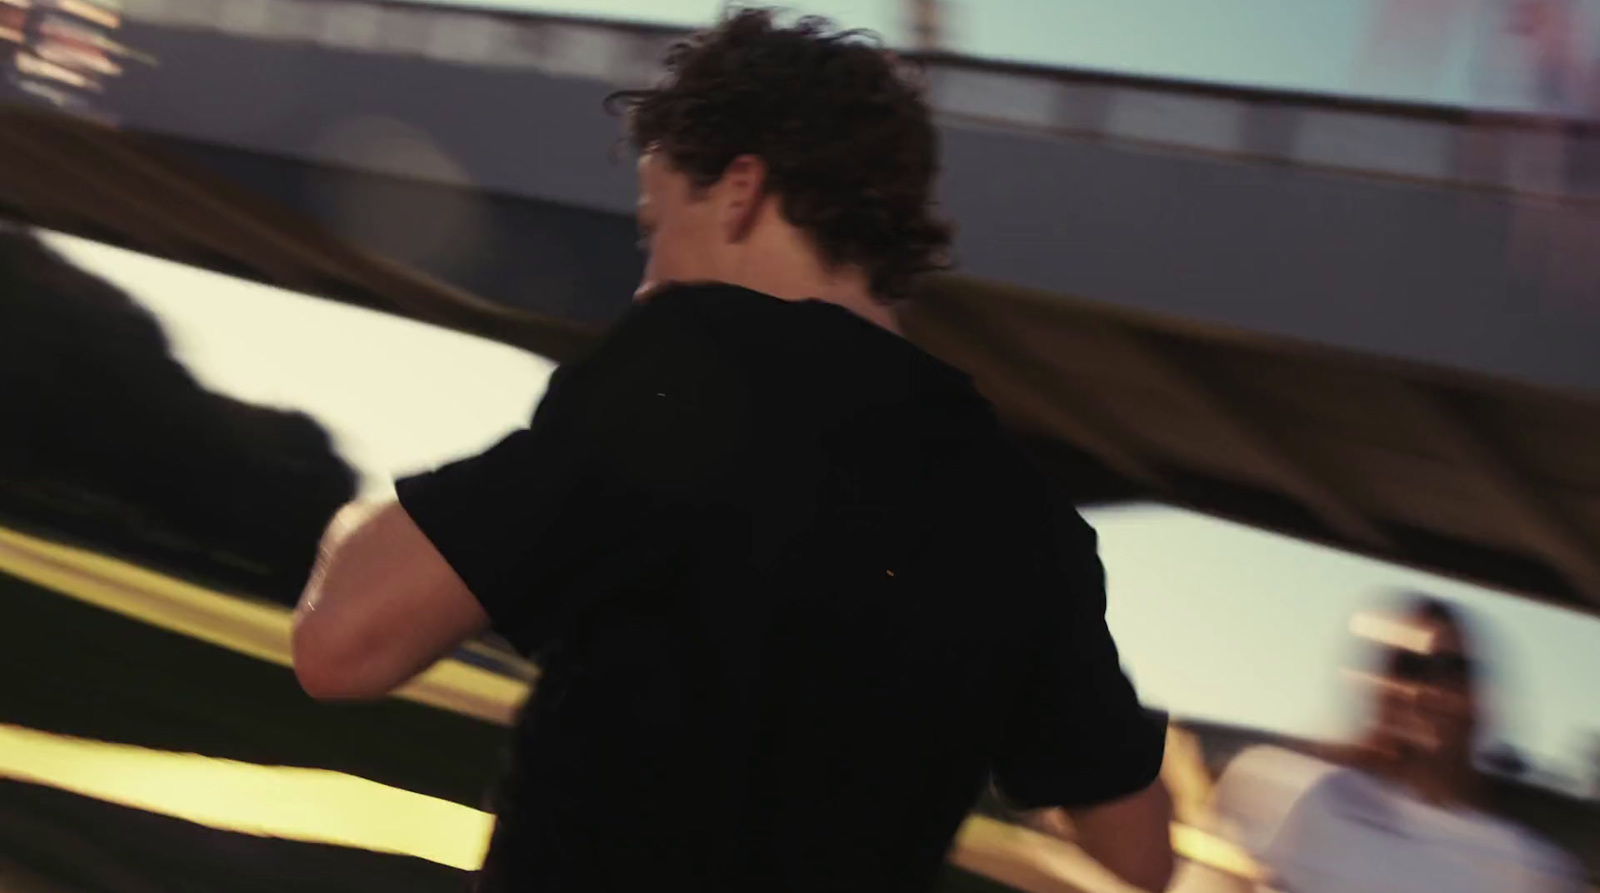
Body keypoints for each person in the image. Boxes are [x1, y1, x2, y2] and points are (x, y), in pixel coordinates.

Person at [289, 9, 1173, 893]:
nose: (648, 277)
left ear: (742, 188)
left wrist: (363, 514)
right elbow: (1137, 851)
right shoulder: (1026, 509)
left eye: (655, 226)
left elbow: (344, 645)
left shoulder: (697, 359)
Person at [1202, 594, 1584, 893]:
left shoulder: (1525, 868)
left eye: (1453, 670)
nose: (1427, 690)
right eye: (1407, 666)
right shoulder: (1279, 792)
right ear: (1373, 681)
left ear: (1482, 698)